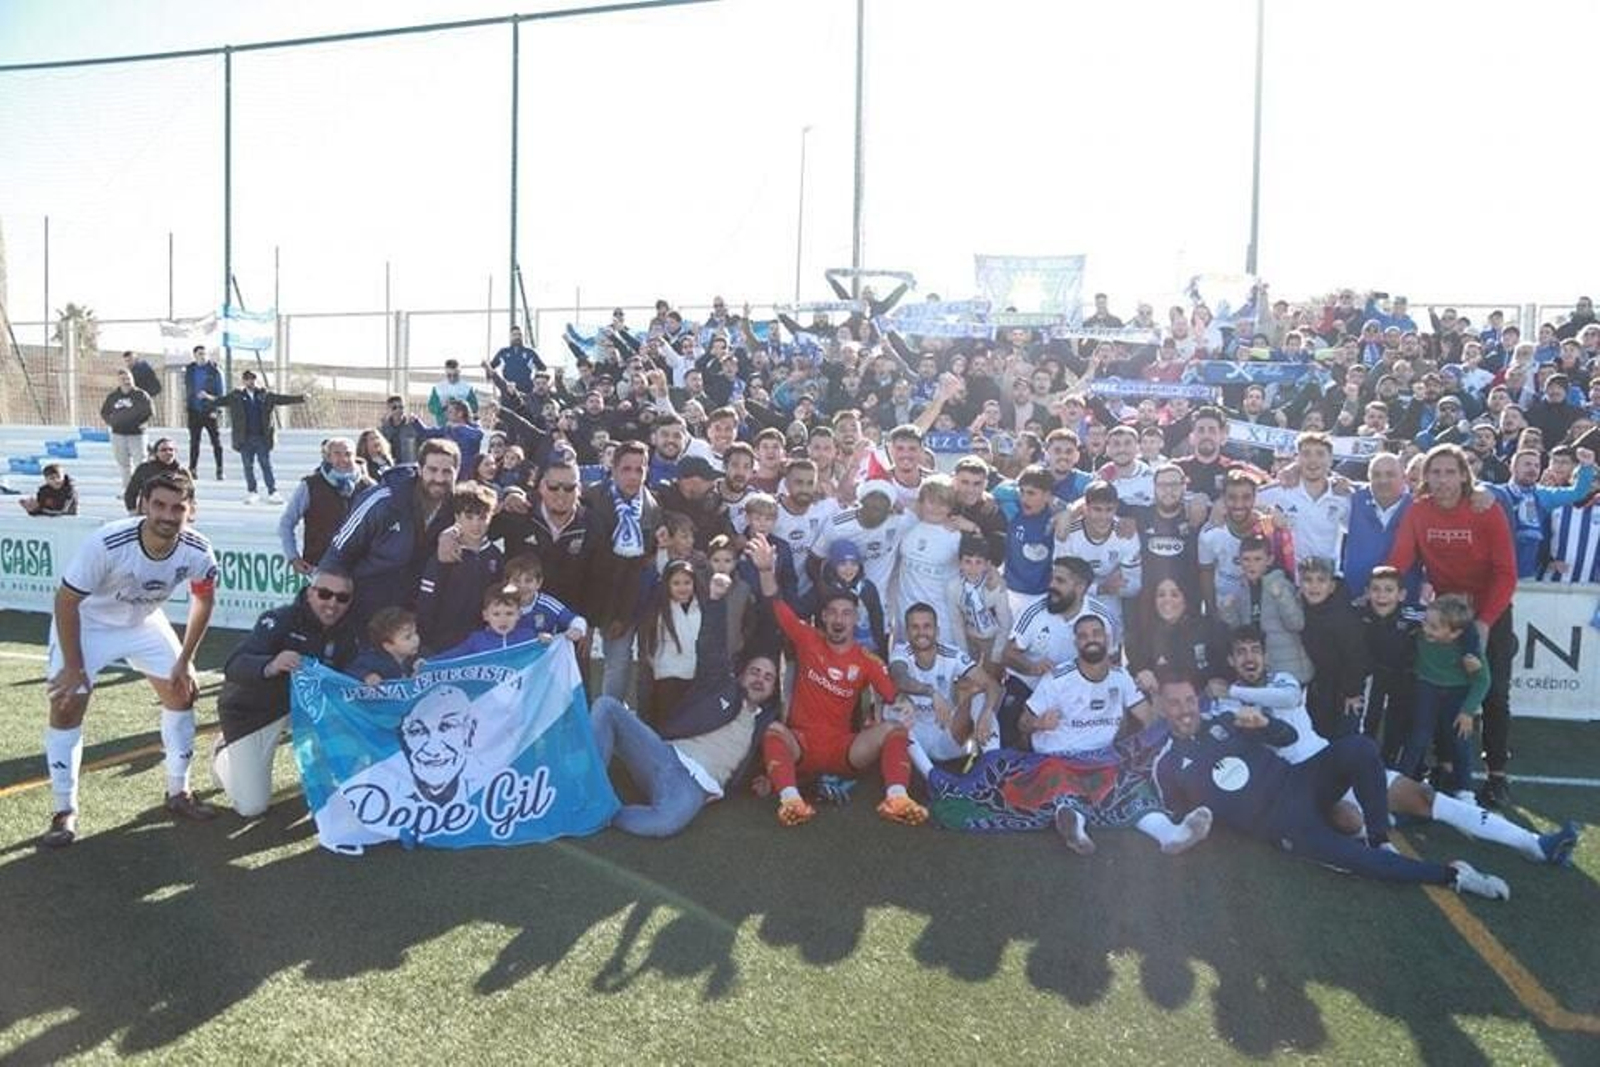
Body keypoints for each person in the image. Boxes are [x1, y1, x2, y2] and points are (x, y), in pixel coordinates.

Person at [1216, 627, 1578, 869]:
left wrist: (1232, 691)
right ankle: (1383, 824)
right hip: (1305, 788)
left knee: (1425, 796)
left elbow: (1288, 696)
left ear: (1265, 655)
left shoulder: (1280, 680)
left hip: (1336, 762)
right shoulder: (1228, 711)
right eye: (1240, 653)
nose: (1249, 658)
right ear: (1231, 660)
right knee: (1348, 821)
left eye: (1254, 650)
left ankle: (1534, 843)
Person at [1152, 672, 1511, 900]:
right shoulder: (1166, 764)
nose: (1185, 709)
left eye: (1189, 700)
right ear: (1162, 707)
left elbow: (1286, 736)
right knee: (1360, 863)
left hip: (1299, 782)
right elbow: (1181, 821)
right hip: (1283, 826)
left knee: (1359, 747)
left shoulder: (1226, 719)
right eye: (1174, 702)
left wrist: (1263, 725)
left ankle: (1381, 838)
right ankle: (1455, 876)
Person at [40, 471, 219, 847]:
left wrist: (185, 660)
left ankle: (178, 792)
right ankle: (64, 810)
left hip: (142, 622)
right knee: (67, 703)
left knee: (182, 692)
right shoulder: (108, 542)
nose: (168, 515)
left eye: (178, 508)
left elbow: (204, 600)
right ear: (143, 505)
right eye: (159, 505)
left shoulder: (199, 549)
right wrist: (74, 667)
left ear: (191, 511)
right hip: (87, 623)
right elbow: (66, 601)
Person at [748, 534, 927, 828]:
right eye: (831, 612)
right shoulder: (808, 639)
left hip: (844, 751)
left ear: (856, 618)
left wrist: (904, 703)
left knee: (894, 730)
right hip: (801, 746)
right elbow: (777, 606)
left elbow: (892, 695)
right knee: (773, 730)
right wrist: (766, 570)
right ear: (823, 617)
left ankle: (896, 798)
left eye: (846, 613)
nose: (838, 618)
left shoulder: (866, 660)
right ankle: (792, 801)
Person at [591, 573, 781, 837]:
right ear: (741, 675)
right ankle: (588, 792)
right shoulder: (721, 686)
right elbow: (711, 648)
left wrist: (767, 779)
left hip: (694, 787)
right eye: (755, 672)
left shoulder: (765, 724)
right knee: (606, 706)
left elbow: (787, 754)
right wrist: (714, 601)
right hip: (663, 755)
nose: (760, 679)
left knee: (663, 824)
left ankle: (605, 814)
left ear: (773, 690)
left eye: (768, 677)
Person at [1387, 444, 1518, 808]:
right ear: (1425, 476)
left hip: (1491, 609)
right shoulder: (1418, 510)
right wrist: (1381, 589)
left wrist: (1486, 621)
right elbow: (1400, 558)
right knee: (1443, 687)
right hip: (1446, 612)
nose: (1442, 480)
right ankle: (1445, 767)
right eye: (1435, 472)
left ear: (1464, 475)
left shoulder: (1486, 508)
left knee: (1493, 692)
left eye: (1449, 472)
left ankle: (1496, 776)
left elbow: (1506, 572)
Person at [212, 568, 362, 817]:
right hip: (256, 710)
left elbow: (352, 672)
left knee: (350, 722)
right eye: (325, 594)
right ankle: (223, 755)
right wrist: (271, 665)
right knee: (251, 807)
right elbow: (234, 665)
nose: (332, 603)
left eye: (342, 598)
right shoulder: (280, 619)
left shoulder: (350, 631)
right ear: (310, 593)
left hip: (307, 710)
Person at [320, 438, 461, 630]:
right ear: (419, 469)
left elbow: (489, 502)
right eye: (432, 470)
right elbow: (339, 551)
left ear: (457, 473)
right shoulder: (383, 500)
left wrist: (514, 494)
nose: (439, 478)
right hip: (367, 608)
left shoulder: (458, 505)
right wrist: (327, 606)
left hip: (416, 613)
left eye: (447, 472)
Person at [999, 556, 1115, 748]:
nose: (1051, 585)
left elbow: (1110, 662)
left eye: (1060, 581)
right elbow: (1007, 654)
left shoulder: (1102, 618)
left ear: (1080, 587)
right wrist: (1032, 667)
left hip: (1075, 691)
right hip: (1028, 685)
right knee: (1008, 728)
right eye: (1052, 578)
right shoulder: (1035, 610)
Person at [584, 441, 661, 702]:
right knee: (596, 663)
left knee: (623, 663)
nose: (633, 476)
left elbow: (640, 567)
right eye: (626, 469)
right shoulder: (591, 497)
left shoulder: (651, 508)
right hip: (592, 595)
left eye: (639, 470)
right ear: (614, 469)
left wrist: (622, 615)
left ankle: (621, 720)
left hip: (629, 600)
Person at [888, 602, 1001, 768]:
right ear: (907, 632)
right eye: (915, 627)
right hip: (913, 737)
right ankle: (932, 777)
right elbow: (900, 678)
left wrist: (986, 713)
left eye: (927, 626)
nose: (921, 632)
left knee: (982, 699)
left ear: (937, 631)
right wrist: (931, 693)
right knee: (895, 709)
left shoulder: (951, 654)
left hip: (946, 733)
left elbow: (992, 685)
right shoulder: (901, 652)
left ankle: (995, 766)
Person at [1401, 594, 1487, 798]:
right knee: (1418, 736)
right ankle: (1400, 783)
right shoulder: (1421, 631)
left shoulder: (1469, 651)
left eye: (1434, 627)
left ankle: (1465, 790)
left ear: (1456, 633)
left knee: (1460, 740)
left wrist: (1468, 712)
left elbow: (1483, 680)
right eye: (1426, 623)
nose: (1426, 629)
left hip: (1457, 692)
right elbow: (1401, 608)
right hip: (1427, 686)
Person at [416, 484, 505, 653]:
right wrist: (425, 638)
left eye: (482, 517)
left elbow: (499, 596)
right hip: (444, 640)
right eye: (469, 517)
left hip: (482, 640)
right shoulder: (446, 552)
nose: (476, 524)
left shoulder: (494, 554)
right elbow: (427, 599)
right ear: (457, 517)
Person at [279, 437, 374, 577]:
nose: (343, 459)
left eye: (348, 454)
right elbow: (286, 523)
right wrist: (293, 557)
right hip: (320, 567)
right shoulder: (310, 486)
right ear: (328, 457)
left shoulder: (370, 487)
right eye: (337, 454)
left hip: (361, 568)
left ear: (355, 456)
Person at [1298, 556, 1370, 739]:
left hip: (1346, 688)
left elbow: (1357, 656)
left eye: (1321, 580)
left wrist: (1353, 692)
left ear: (1332, 587)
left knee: (1345, 736)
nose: (1314, 586)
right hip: (1319, 683)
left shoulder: (1343, 616)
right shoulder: (1301, 609)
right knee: (1318, 733)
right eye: (1308, 580)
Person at [210, 368, 306, 504]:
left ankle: (273, 491)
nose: (251, 381)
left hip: (262, 437)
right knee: (248, 466)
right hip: (245, 438)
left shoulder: (265, 395)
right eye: (248, 379)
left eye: (253, 378)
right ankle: (252, 491)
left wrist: (301, 398)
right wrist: (207, 398)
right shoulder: (236, 396)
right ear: (243, 381)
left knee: (265, 464)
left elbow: (282, 399)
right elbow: (220, 401)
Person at [101, 367, 154, 488]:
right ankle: (128, 490)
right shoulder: (113, 396)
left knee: (141, 463)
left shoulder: (141, 395)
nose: (126, 381)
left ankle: (143, 489)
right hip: (118, 434)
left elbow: (149, 412)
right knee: (124, 464)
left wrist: (142, 423)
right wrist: (112, 423)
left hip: (137, 434)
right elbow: (104, 412)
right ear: (118, 381)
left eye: (128, 378)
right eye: (123, 379)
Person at [182, 345, 224, 480]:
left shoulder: (215, 370)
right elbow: (187, 389)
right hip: (194, 411)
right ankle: (192, 469)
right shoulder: (190, 370)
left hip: (209, 410)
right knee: (194, 442)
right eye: (200, 354)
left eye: (205, 354)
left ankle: (220, 469)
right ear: (194, 355)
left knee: (216, 442)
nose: (203, 356)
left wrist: (215, 407)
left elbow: (221, 394)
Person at [349, 607, 422, 684]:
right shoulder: (372, 660)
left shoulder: (415, 655)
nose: (415, 639)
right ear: (388, 646)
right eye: (407, 637)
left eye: (415, 632)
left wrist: (424, 665)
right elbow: (352, 672)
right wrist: (367, 676)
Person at [124, 438, 183, 515]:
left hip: (173, 515)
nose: (168, 452)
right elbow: (131, 492)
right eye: (163, 450)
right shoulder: (144, 469)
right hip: (148, 514)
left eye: (171, 450)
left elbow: (189, 496)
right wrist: (132, 511)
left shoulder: (181, 472)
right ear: (156, 453)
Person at [490, 325, 543, 394]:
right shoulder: (503, 352)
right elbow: (491, 367)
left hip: (527, 390)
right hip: (508, 391)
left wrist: (536, 383)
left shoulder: (530, 352)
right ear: (510, 337)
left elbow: (542, 368)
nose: (517, 337)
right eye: (514, 335)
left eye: (519, 335)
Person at [427, 359, 479, 427]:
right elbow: (431, 407)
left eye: (455, 375)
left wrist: (461, 405)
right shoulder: (438, 388)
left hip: (463, 427)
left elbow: (475, 407)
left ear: (459, 372)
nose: (452, 378)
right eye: (449, 375)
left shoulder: (467, 388)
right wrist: (442, 405)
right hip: (443, 426)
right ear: (445, 373)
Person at [378, 394, 426, 466]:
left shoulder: (413, 426)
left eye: (401, 407)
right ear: (388, 409)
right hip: (391, 467)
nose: (398, 410)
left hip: (410, 467)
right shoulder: (383, 430)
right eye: (394, 408)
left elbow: (424, 446)